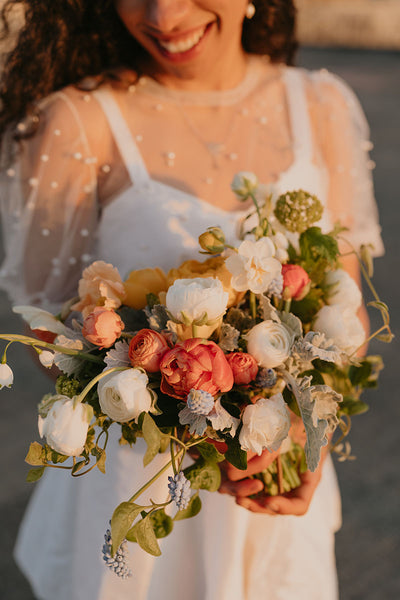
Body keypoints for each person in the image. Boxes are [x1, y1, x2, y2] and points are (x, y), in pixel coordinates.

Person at [0, 1, 384, 599]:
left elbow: (346, 311)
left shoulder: (322, 106)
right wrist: (190, 413)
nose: (164, 14)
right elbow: (48, 333)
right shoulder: (74, 120)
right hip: (140, 491)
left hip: (276, 492)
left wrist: (304, 436)